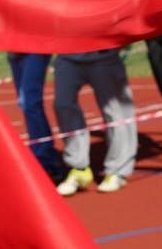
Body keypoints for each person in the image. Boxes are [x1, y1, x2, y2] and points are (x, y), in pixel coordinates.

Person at [52, 49, 137, 196]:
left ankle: (117, 171)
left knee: (115, 111)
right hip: (67, 55)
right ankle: (78, 168)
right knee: (63, 104)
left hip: (103, 56)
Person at [0, 50, 63, 180]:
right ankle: (42, 154)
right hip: (14, 51)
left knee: (30, 102)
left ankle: (45, 161)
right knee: (25, 103)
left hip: (34, 49)